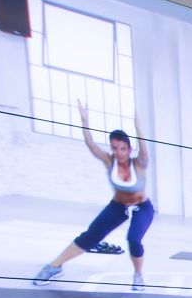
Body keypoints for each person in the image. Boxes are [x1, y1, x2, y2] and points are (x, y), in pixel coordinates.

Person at [33, 102, 155, 288]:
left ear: (129, 149)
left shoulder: (139, 163)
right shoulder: (109, 161)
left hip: (142, 207)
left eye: (122, 148)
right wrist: (84, 121)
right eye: (114, 148)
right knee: (90, 236)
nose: (118, 152)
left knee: (133, 239)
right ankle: (54, 266)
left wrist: (137, 127)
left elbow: (144, 149)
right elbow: (90, 144)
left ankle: (138, 275)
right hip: (118, 206)